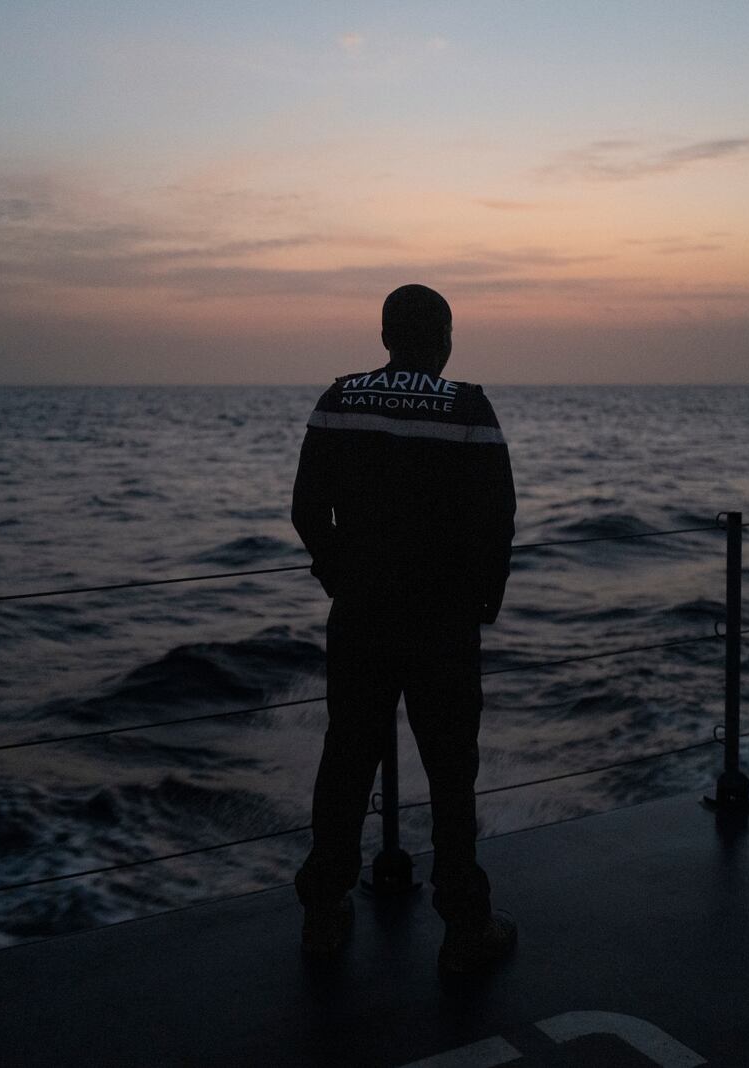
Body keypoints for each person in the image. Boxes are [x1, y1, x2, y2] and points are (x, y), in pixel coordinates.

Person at [290, 283, 518, 975]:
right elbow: (497, 522)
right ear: (444, 338)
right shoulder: (468, 409)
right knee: (451, 772)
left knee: (346, 762)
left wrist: (339, 576)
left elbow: (306, 510)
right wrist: (484, 600)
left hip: (360, 618)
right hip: (443, 625)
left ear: (385, 336)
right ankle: (463, 924)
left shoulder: (338, 401)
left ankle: (325, 913)